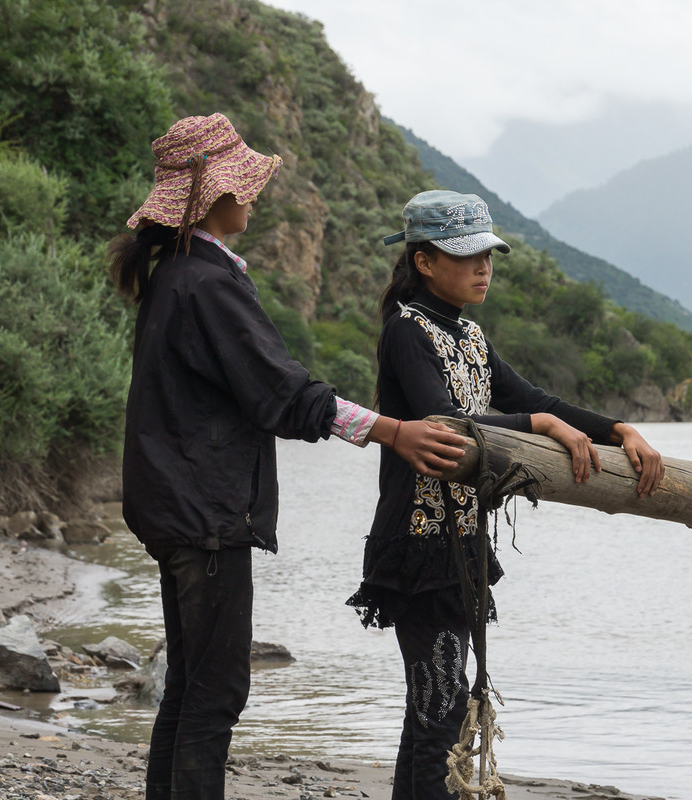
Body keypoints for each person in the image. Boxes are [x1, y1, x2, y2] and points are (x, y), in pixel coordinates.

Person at [109, 114, 469, 800]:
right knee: (215, 693)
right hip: (205, 510)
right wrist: (392, 431)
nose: (253, 197)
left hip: (174, 504)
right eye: (242, 185)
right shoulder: (204, 283)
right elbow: (281, 391)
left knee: (188, 686)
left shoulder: (175, 276)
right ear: (215, 197)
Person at [346, 190, 666, 798]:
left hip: (459, 542)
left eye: (487, 256)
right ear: (424, 261)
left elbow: (534, 398)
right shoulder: (406, 333)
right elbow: (451, 426)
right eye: (467, 257)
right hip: (417, 544)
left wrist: (618, 429)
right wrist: (542, 429)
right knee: (437, 710)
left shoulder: (468, 334)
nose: (483, 268)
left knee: (436, 708)